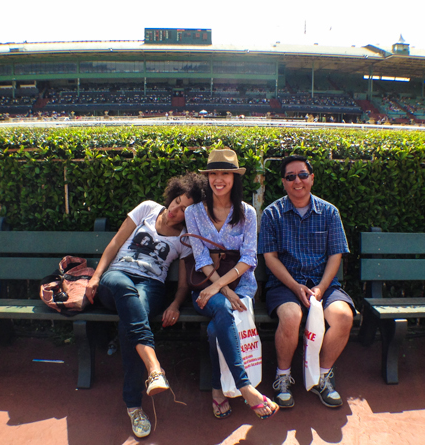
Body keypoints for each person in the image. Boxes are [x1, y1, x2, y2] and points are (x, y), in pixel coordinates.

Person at [84, 172, 206, 439]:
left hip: (151, 286)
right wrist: (96, 276)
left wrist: (174, 303)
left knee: (133, 314)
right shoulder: (147, 209)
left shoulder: (186, 237)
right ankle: (154, 370)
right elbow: (116, 242)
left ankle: (134, 406)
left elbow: (184, 284)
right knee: (125, 290)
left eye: (185, 209)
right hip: (116, 278)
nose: (176, 209)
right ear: (171, 194)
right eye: (176, 201)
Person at [184, 148, 279, 421]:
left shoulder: (247, 212)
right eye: (213, 173)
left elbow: (249, 259)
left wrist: (224, 288)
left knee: (217, 326)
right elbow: (201, 257)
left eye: (225, 173)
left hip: (242, 286)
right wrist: (220, 289)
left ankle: (217, 388)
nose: (218, 179)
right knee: (223, 309)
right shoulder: (194, 212)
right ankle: (245, 386)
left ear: (234, 178)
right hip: (206, 285)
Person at [258, 155, 355, 409]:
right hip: (284, 285)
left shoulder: (329, 212)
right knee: (290, 316)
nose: (297, 181)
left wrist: (321, 288)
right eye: (290, 177)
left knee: (344, 317)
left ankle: (322, 375)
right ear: (283, 182)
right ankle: (282, 377)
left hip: (323, 285)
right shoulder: (272, 214)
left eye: (302, 175)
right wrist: (294, 286)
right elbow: (270, 258)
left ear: (312, 178)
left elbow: (336, 255)